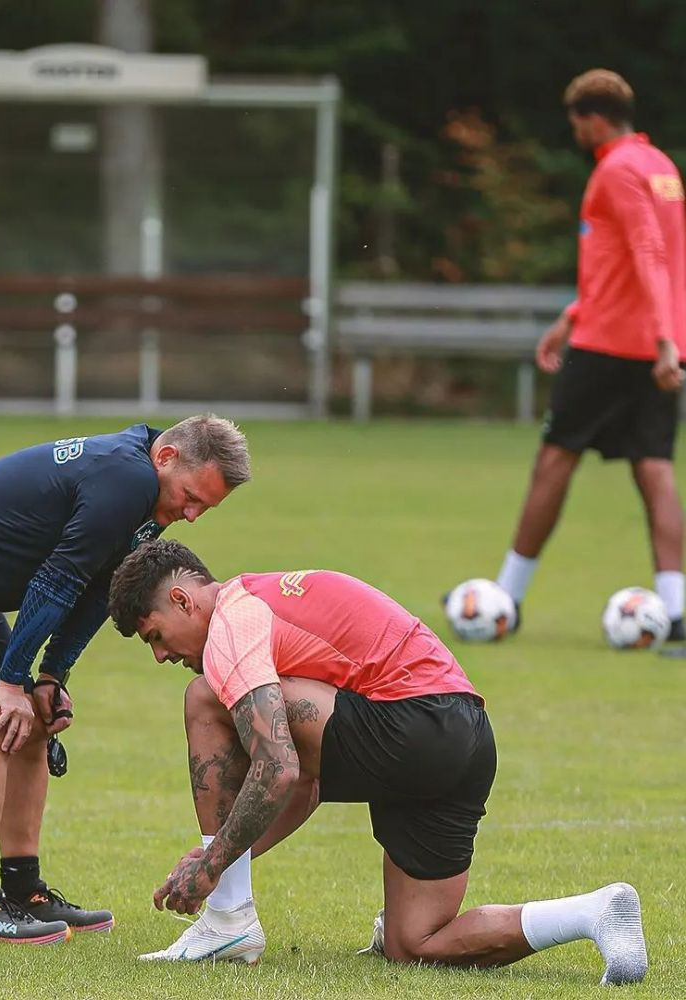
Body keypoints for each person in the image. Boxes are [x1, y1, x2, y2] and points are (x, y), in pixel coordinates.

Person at [107, 539, 648, 986]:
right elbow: (303, 784)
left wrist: (212, 863)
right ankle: (595, 912)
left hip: (410, 726)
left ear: (182, 600)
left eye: (154, 636)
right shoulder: (263, 600)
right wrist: (220, 859)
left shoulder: (231, 623)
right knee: (414, 943)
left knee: (204, 697)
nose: (161, 656)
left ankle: (226, 919)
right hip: (467, 739)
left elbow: (280, 769)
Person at [0, 416, 251, 944]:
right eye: (191, 497)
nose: (192, 515)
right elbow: (58, 579)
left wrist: (49, 677)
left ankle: (23, 890)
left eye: (204, 507)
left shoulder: (148, 492)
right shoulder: (127, 477)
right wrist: (13, 681)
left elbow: (97, 590)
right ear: (166, 457)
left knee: (33, 725)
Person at [492, 69, 685, 638]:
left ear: (592, 118)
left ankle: (508, 596)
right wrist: (573, 317)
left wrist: (660, 339)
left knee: (555, 460)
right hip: (651, 344)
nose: (574, 132)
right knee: (654, 466)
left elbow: (649, 251)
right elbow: (644, 262)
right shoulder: (663, 170)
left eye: (575, 122)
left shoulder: (616, 170)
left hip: (612, 347)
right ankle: (675, 609)